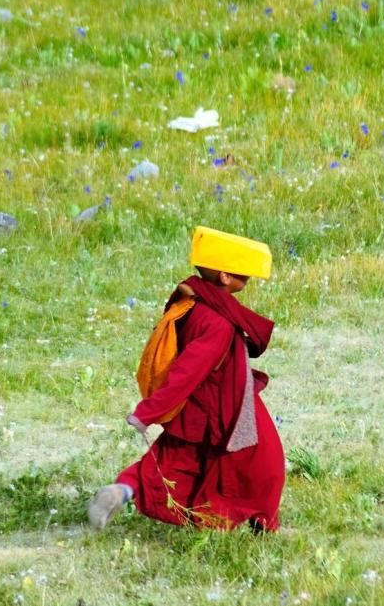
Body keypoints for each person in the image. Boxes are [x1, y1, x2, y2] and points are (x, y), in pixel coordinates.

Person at [87, 226, 285, 532]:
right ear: (224, 277)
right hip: (223, 407)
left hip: (195, 409)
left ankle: (121, 491)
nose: (247, 280)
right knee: (266, 465)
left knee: (170, 464)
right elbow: (187, 373)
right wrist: (147, 412)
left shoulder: (190, 303)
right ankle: (262, 525)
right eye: (242, 274)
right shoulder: (218, 322)